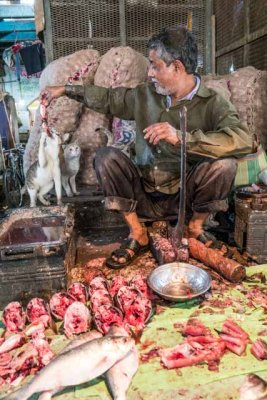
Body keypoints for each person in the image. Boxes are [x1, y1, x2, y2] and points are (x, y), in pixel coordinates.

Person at [42, 26, 252, 269]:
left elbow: (242, 139)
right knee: (106, 157)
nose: (150, 73)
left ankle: (194, 228)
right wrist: (66, 90)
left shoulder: (213, 102)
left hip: (184, 197)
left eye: (155, 66)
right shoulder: (145, 95)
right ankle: (137, 232)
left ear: (177, 67)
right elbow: (109, 99)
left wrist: (183, 137)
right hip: (143, 193)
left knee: (224, 165)